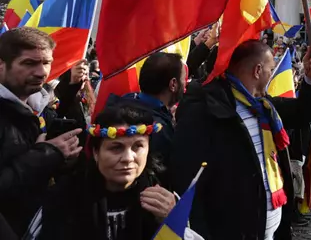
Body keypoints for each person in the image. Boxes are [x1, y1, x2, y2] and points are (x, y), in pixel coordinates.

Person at [170, 40, 311, 240]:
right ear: (257, 71)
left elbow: (303, 112)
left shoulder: (263, 107)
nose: (272, 74)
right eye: (271, 69)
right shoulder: (205, 111)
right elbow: (187, 181)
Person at [27, 102, 180, 239]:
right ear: (96, 152)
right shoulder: (63, 199)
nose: (128, 158)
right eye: (116, 148)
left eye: (138, 146)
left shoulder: (164, 198)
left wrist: (173, 221)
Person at [0, 28, 83, 236]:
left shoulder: (41, 106)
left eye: (46, 62)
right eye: (29, 63)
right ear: (1, 65)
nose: (41, 72)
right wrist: (47, 154)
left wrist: (64, 159)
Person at [121, 52, 187, 186]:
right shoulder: (157, 130)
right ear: (173, 84)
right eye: (184, 79)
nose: (185, 85)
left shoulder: (125, 102)